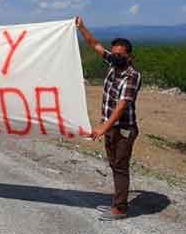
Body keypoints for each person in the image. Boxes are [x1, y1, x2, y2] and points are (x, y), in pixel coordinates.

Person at [75, 16, 142, 221]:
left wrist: (102, 128)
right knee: (114, 165)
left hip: (123, 128)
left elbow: (122, 106)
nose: (115, 57)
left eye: (119, 55)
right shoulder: (113, 65)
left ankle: (120, 209)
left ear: (129, 56)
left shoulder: (131, 76)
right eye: (113, 54)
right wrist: (82, 27)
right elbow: (94, 44)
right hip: (112, 128)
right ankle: (117, 202)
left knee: (120, 167)